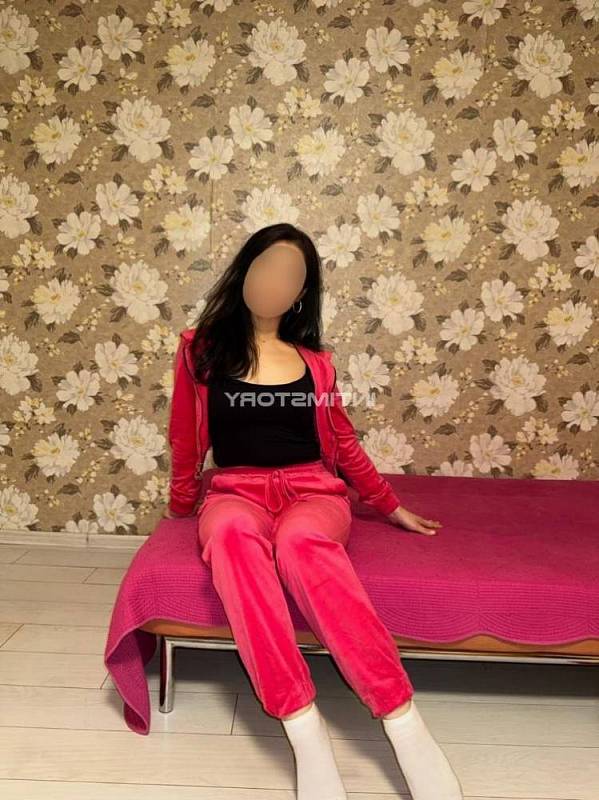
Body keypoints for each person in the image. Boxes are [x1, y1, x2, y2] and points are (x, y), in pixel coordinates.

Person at [164, 223, 463, 800]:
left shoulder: (316, 364)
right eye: (265, 266)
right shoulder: (200, 350)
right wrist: (182, 503)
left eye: (290, 275)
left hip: (311, 492)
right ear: (245, 272)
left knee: (302, 545)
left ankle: (402, 720)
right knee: (230, 536)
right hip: (235, 492)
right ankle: (303, 728)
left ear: (301, 293)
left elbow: (343, 442)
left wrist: (388, 504)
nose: (273, 281)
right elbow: (185, 435)